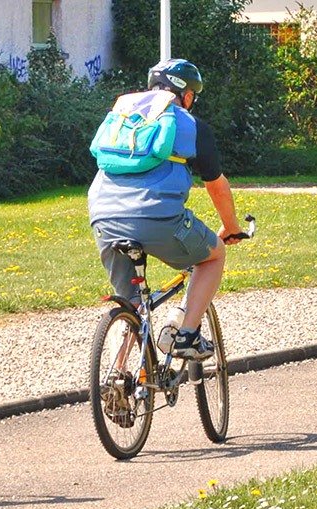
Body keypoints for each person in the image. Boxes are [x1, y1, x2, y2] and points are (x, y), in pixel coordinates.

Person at [88, 59, 244, 359]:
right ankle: (185, 336)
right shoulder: (190, 124)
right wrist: (231, 226)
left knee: (129, 302)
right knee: (213, 256)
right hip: (155, 216)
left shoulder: (123, 116)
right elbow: (216, 185)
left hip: (103, 216)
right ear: (187, 95)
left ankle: (117, 375)